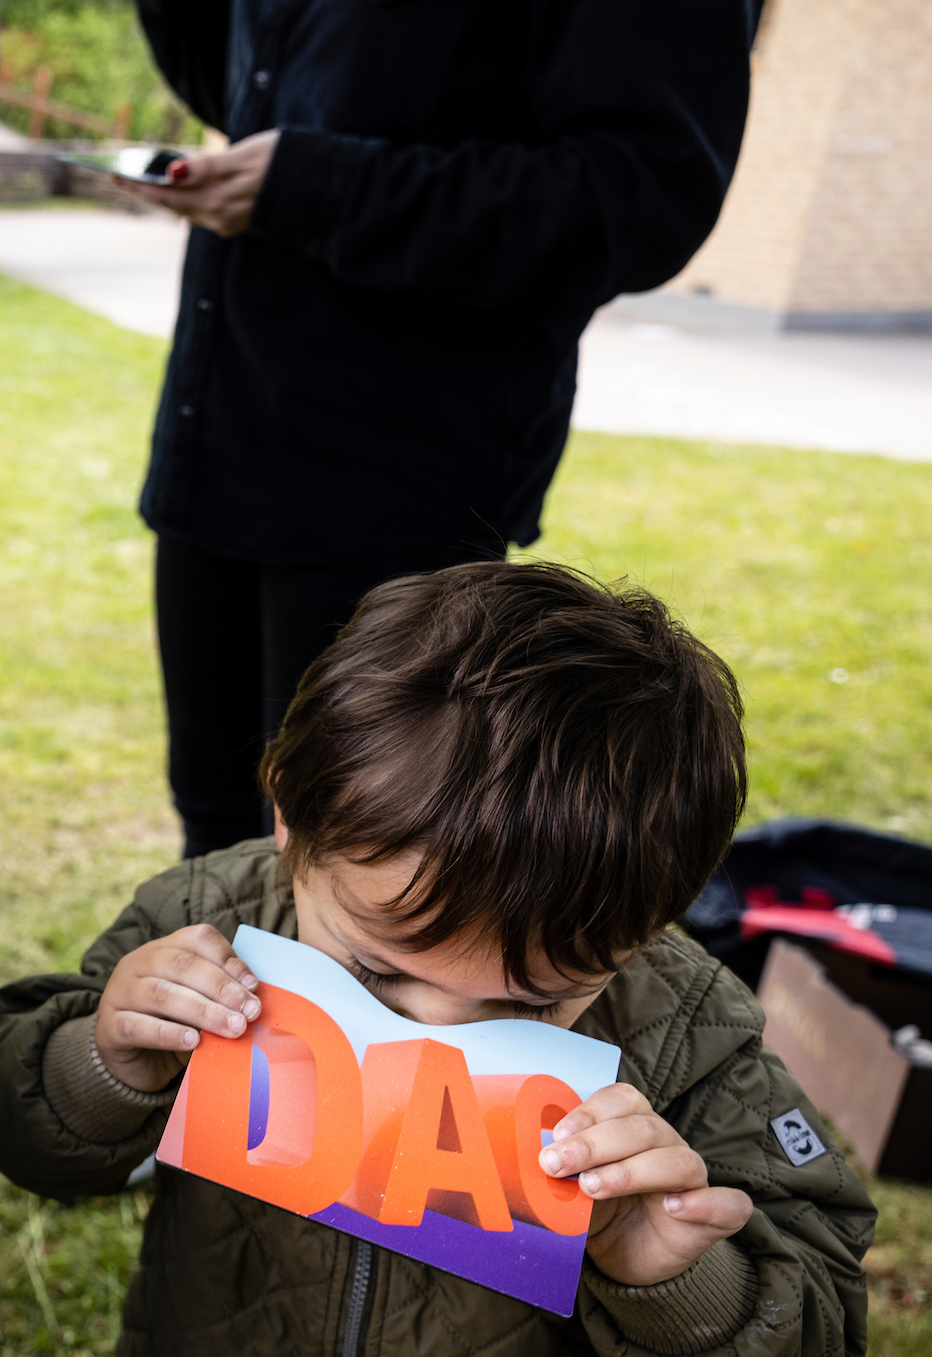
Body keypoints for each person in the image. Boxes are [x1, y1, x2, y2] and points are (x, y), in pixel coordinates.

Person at [0, 563, 876, 1357]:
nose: (432, 1033)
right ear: (291, 822)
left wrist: (661, 1267)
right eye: (373, 972)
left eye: (527, 1006)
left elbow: (811, 1333)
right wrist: (110, 1060)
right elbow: (12, 1118)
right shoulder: (210, 920)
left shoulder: (683, 1031)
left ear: (644, 928)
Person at [120, 0, 758, 856]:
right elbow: (255, 86)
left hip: (396, 474)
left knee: (353, 848)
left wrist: (318, 187)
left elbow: (640, 192)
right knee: (216, 823)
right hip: (221, 427)